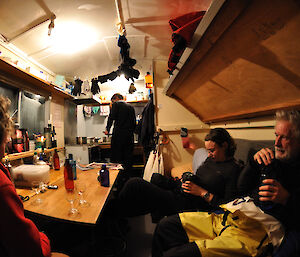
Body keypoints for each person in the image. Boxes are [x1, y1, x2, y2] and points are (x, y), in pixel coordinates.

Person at [152, 109, 300, 257]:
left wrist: (287, 198)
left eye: (284, 137)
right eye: (276, 135)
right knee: (164, 226)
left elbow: (233, 190)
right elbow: (243, 188)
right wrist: (253, 162)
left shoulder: (233, 168)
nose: (276, 143)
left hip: (253, 229)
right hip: (228, 214)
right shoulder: (271, 160)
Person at [110, 128, 242, 220]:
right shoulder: (211, 159)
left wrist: (202, 192)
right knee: (155, 178)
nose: (209, 154)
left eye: (212, 150)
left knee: (135, 184)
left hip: (189, 203)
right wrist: (185, 178)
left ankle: (113, 212)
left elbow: (228, 205)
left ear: (224, 145)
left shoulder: (232, 169)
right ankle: (119, 214)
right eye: (208, 151)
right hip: (182, 189)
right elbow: (200, 177)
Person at [0, 95, 68, 257]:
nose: (8, 140)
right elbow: (31, 249)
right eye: (6, 135)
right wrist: (44, 237)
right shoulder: (2, 185)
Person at [104, 93, 136, 186]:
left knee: (117, 159)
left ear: (116, 99)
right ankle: (128, 181)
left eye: (112, 101)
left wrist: (107, 129)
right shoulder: (131, 107)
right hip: (129, 137)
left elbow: (111, 118)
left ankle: (118, 182)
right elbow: (134, 123)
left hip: (118, 136)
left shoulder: (116, 104)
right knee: (128, 159)